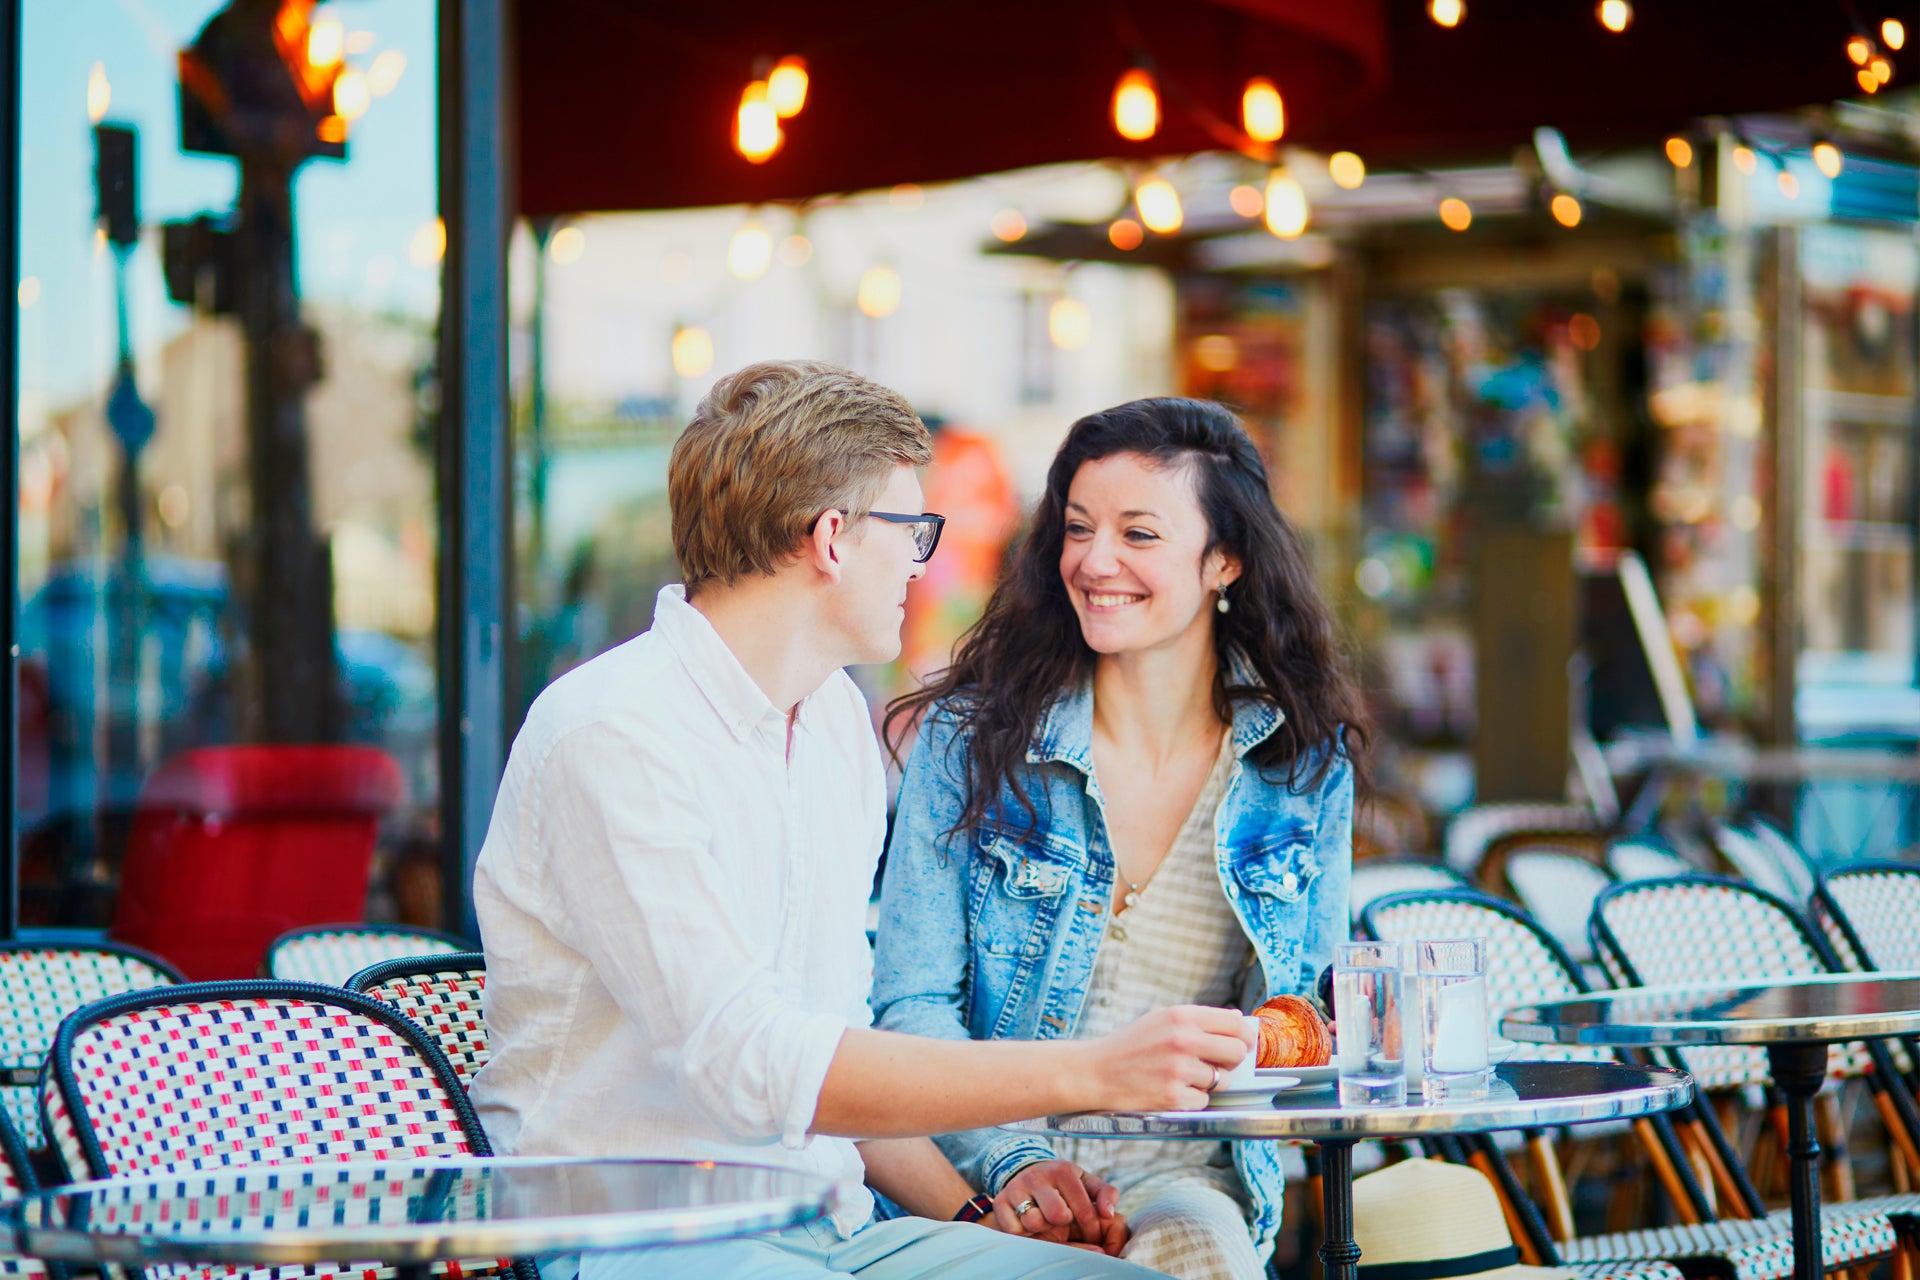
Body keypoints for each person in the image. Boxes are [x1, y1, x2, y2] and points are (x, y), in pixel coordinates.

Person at [470, 361, 1255, 1280]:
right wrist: (1092, 1071)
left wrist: (976, 1216)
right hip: (640, 1241)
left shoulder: (835, 718)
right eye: (913, 530)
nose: (921, 563)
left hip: (836, 1233)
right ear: (833, 539)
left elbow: (833, 1040)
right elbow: (756, 1064)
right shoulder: (613, 733)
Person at [874, 397, 1368, 1280]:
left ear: (1225, 560)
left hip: (1180, 1172)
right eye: (1077, 528)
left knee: (1201, 1257)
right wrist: (1013, 1166)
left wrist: (1281, 1036)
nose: (1094, 561)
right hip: (975, 1175)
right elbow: (909, 1006)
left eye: (1139, 534)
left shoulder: (1300, 766)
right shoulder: (972, 736)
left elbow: (1306, 1018)